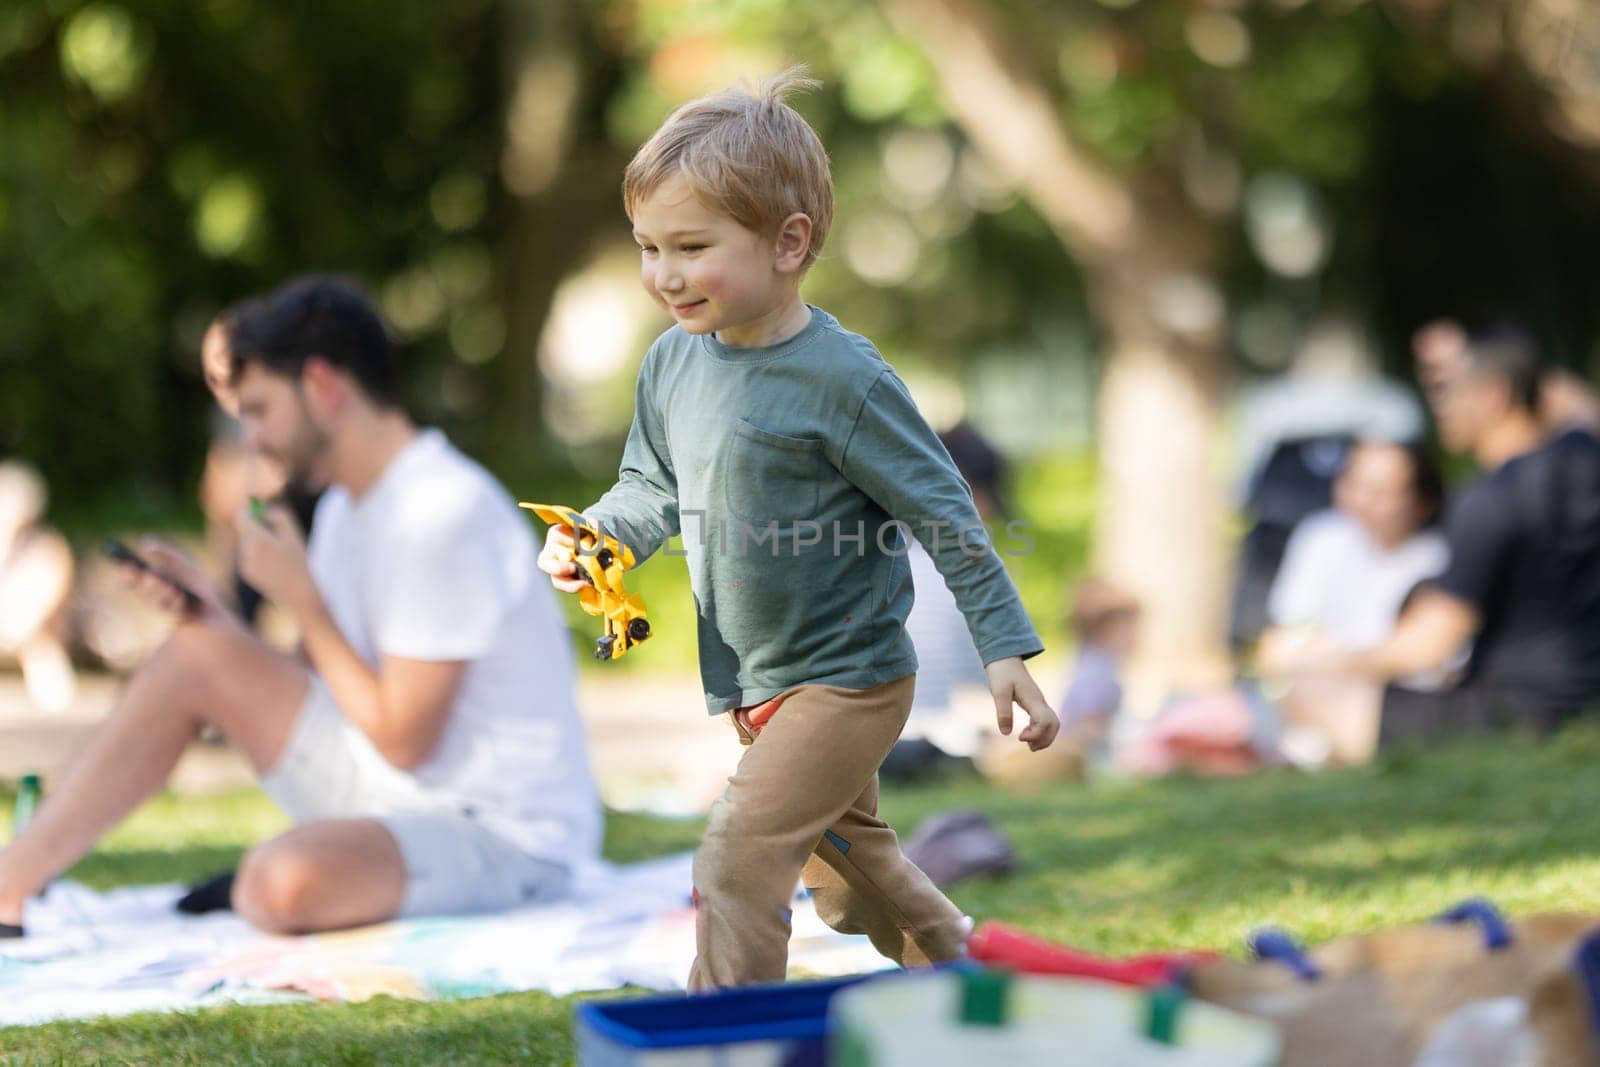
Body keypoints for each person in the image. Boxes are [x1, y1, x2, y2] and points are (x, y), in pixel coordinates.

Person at [538, 71, 1058, 990]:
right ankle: (981, 987)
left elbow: (943, 508)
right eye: (648, 246)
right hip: (756, 681)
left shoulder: (842, 378)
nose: (663, 273)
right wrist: (600, 538)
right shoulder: (670, 364)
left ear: (789, 242)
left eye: (692, 246)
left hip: (848, 680)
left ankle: (721, 1038)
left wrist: (1004, 645)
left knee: (737, 855)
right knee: (855, 886)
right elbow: (647, 483)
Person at [0, 276, 600, 939]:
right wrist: (215, 619)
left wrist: (302, 598)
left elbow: (404, 735)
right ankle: (9, 883)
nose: (252, 441)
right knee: (199, 653)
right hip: (406, 794)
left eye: (259, 410)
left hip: (505, 836)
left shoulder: (442, 513)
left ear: (322, 385)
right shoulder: (347, 506)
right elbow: (316, 679)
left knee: (279, 882)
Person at [1266, 327, 1600, 741]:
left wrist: (1322, 661)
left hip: (1514, 708)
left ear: (1493, 396)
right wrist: (1494, 356)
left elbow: (1433, 642)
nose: (1441, 406)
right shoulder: (1582, 459)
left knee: (1314, 696)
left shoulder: (1491, 500)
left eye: (1451, 392)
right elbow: (1575, 403)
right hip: (1587, 691)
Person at [1256, 440, 1452, 765]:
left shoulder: (1440, 556)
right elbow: (1285, 636)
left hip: (1394, 697)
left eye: (1382, 492)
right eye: (1354, 484)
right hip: (1320, 682)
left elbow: (1431, 660)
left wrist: (1334, 660)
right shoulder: (1321, 536)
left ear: (1423, 501)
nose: (1362, 500)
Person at [0, 462, 76, 713]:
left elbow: (47, 595)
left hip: (28, 628)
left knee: (39, 646)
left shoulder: (47, 547)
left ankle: (51, 689)